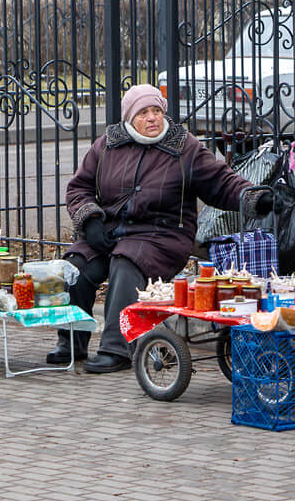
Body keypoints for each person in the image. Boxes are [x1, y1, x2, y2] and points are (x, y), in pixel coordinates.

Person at [50, 84, 273, 373]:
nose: (152, 118)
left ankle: (117, 348)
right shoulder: (107, 144)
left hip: (161, 235)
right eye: (144, 112)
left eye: (157, 110)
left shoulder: (184, 146)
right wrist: (90, 220)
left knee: (125, 263)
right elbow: (79, 187)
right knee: (75, 268)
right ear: (130, 118)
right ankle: (70, 343)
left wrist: (255, 197)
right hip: (107, 231)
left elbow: (221, 181)